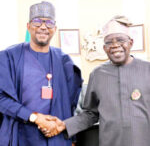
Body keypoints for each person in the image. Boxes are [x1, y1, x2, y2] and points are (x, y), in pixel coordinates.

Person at [44, 15, 150, 146]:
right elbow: (91, 113)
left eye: (120, 40)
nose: (115, 45)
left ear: (131, 43)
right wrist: (64, 125)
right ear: (104, 48)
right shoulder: (97, 74)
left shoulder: (147, 69)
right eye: (109, 42)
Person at [0, 1, 82, 146]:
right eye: (37, 21)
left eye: (49, 23)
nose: (43, 27)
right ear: (28, 26)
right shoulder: (8, 57)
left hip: (56, 136)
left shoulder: (64, 61)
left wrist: (72, 138)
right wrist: (35, 117)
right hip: (21, 136)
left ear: (55, 28)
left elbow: (72, 102)